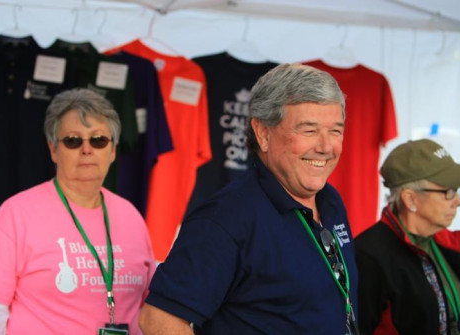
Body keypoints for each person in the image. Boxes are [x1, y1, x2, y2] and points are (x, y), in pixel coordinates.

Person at [139, 63, 359, 334]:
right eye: (309, 130)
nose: (326, 147)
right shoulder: (225, 219)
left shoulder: (330, 202)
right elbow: (159, 320)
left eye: (335, 131)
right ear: (263, 133)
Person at [0, 88, 156, 334]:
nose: (86, 149)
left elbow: (147, 304)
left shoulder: (131, 216)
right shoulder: (16, 215)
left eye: (98, 140)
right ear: (54, 150)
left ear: (112, 150)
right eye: (73, 140)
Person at [355, 138, 460, 335]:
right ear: (410, 198)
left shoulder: (443, 243)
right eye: (449, 191)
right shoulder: (369, 256)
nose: (458, 201)